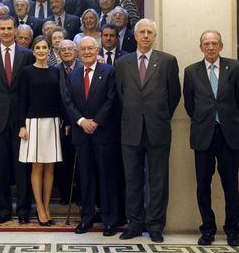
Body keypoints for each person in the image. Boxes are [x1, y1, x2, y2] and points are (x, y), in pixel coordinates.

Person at [115, 18, 181, 243]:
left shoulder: (167, 61)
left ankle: (155, 225)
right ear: (134, 36)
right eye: (141, 32)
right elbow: (119, 94)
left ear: (154, 36)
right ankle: (134, 223)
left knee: (158, 179)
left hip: (157, 129)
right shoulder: (122, 63)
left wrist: (160, 116)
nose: (145, 36)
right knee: (132, 179)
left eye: (149, 32)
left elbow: (174, 95)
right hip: (130, 129)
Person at [183, 30, 239, 246]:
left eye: (214, 43)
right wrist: (204, 120)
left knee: (231, 185)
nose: (210, 47)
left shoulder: (234, 67)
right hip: (203, 135)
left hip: (229, 136)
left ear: (221, 46)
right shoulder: (191, 71)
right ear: (201, 48)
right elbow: (190, 104)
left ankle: (233, 229)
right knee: (203, 185)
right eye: (206, 44)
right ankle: (207, 229)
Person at [0, 15, 35, 224]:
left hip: (22, 122)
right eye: (2, 28)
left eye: (9, 28)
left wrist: (27, 121)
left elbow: (30, 91)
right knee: (1, 169)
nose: (6, 32)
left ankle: (23, 211)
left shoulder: (27, 55)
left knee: (22, 169)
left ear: (16, 30)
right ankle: (3, 211)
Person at [64, 36, 121, 235]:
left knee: (107, 177)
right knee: (85, 178)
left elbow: (111, 99)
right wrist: (81, 121)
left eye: (91, 49)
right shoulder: (73, 74)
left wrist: (96, 121)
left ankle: (109, 220)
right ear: (79, 52)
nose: (87, 52)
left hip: (103, 133)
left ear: (97, 51)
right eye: (83, 49)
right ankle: (86, 218)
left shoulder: (109, 71)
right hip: (82, 134)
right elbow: (68, 101)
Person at [18, 35, 65, 226]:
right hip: (33, 123)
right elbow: (21, 100)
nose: (41, 51)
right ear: (33, 50)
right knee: (37, 166)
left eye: (44, 47)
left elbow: (60, 98)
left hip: (52, 122)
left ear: (48, 50)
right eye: (38, 48)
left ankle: (47, 206)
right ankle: (39, 207)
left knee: (50, 167)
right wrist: (22, 125)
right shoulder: (26, 72)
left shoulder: (56, 71)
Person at [54, 39, 83, 205]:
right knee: (63, 161)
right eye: (62, 50)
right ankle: (66, 194)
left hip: (80, 121)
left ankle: (80, 195)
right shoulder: (55, 70)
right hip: (60, 122)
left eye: (69, 49)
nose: (66, 52)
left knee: (80, 163)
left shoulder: (82, 68)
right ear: (58, 54)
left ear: (76, 51)